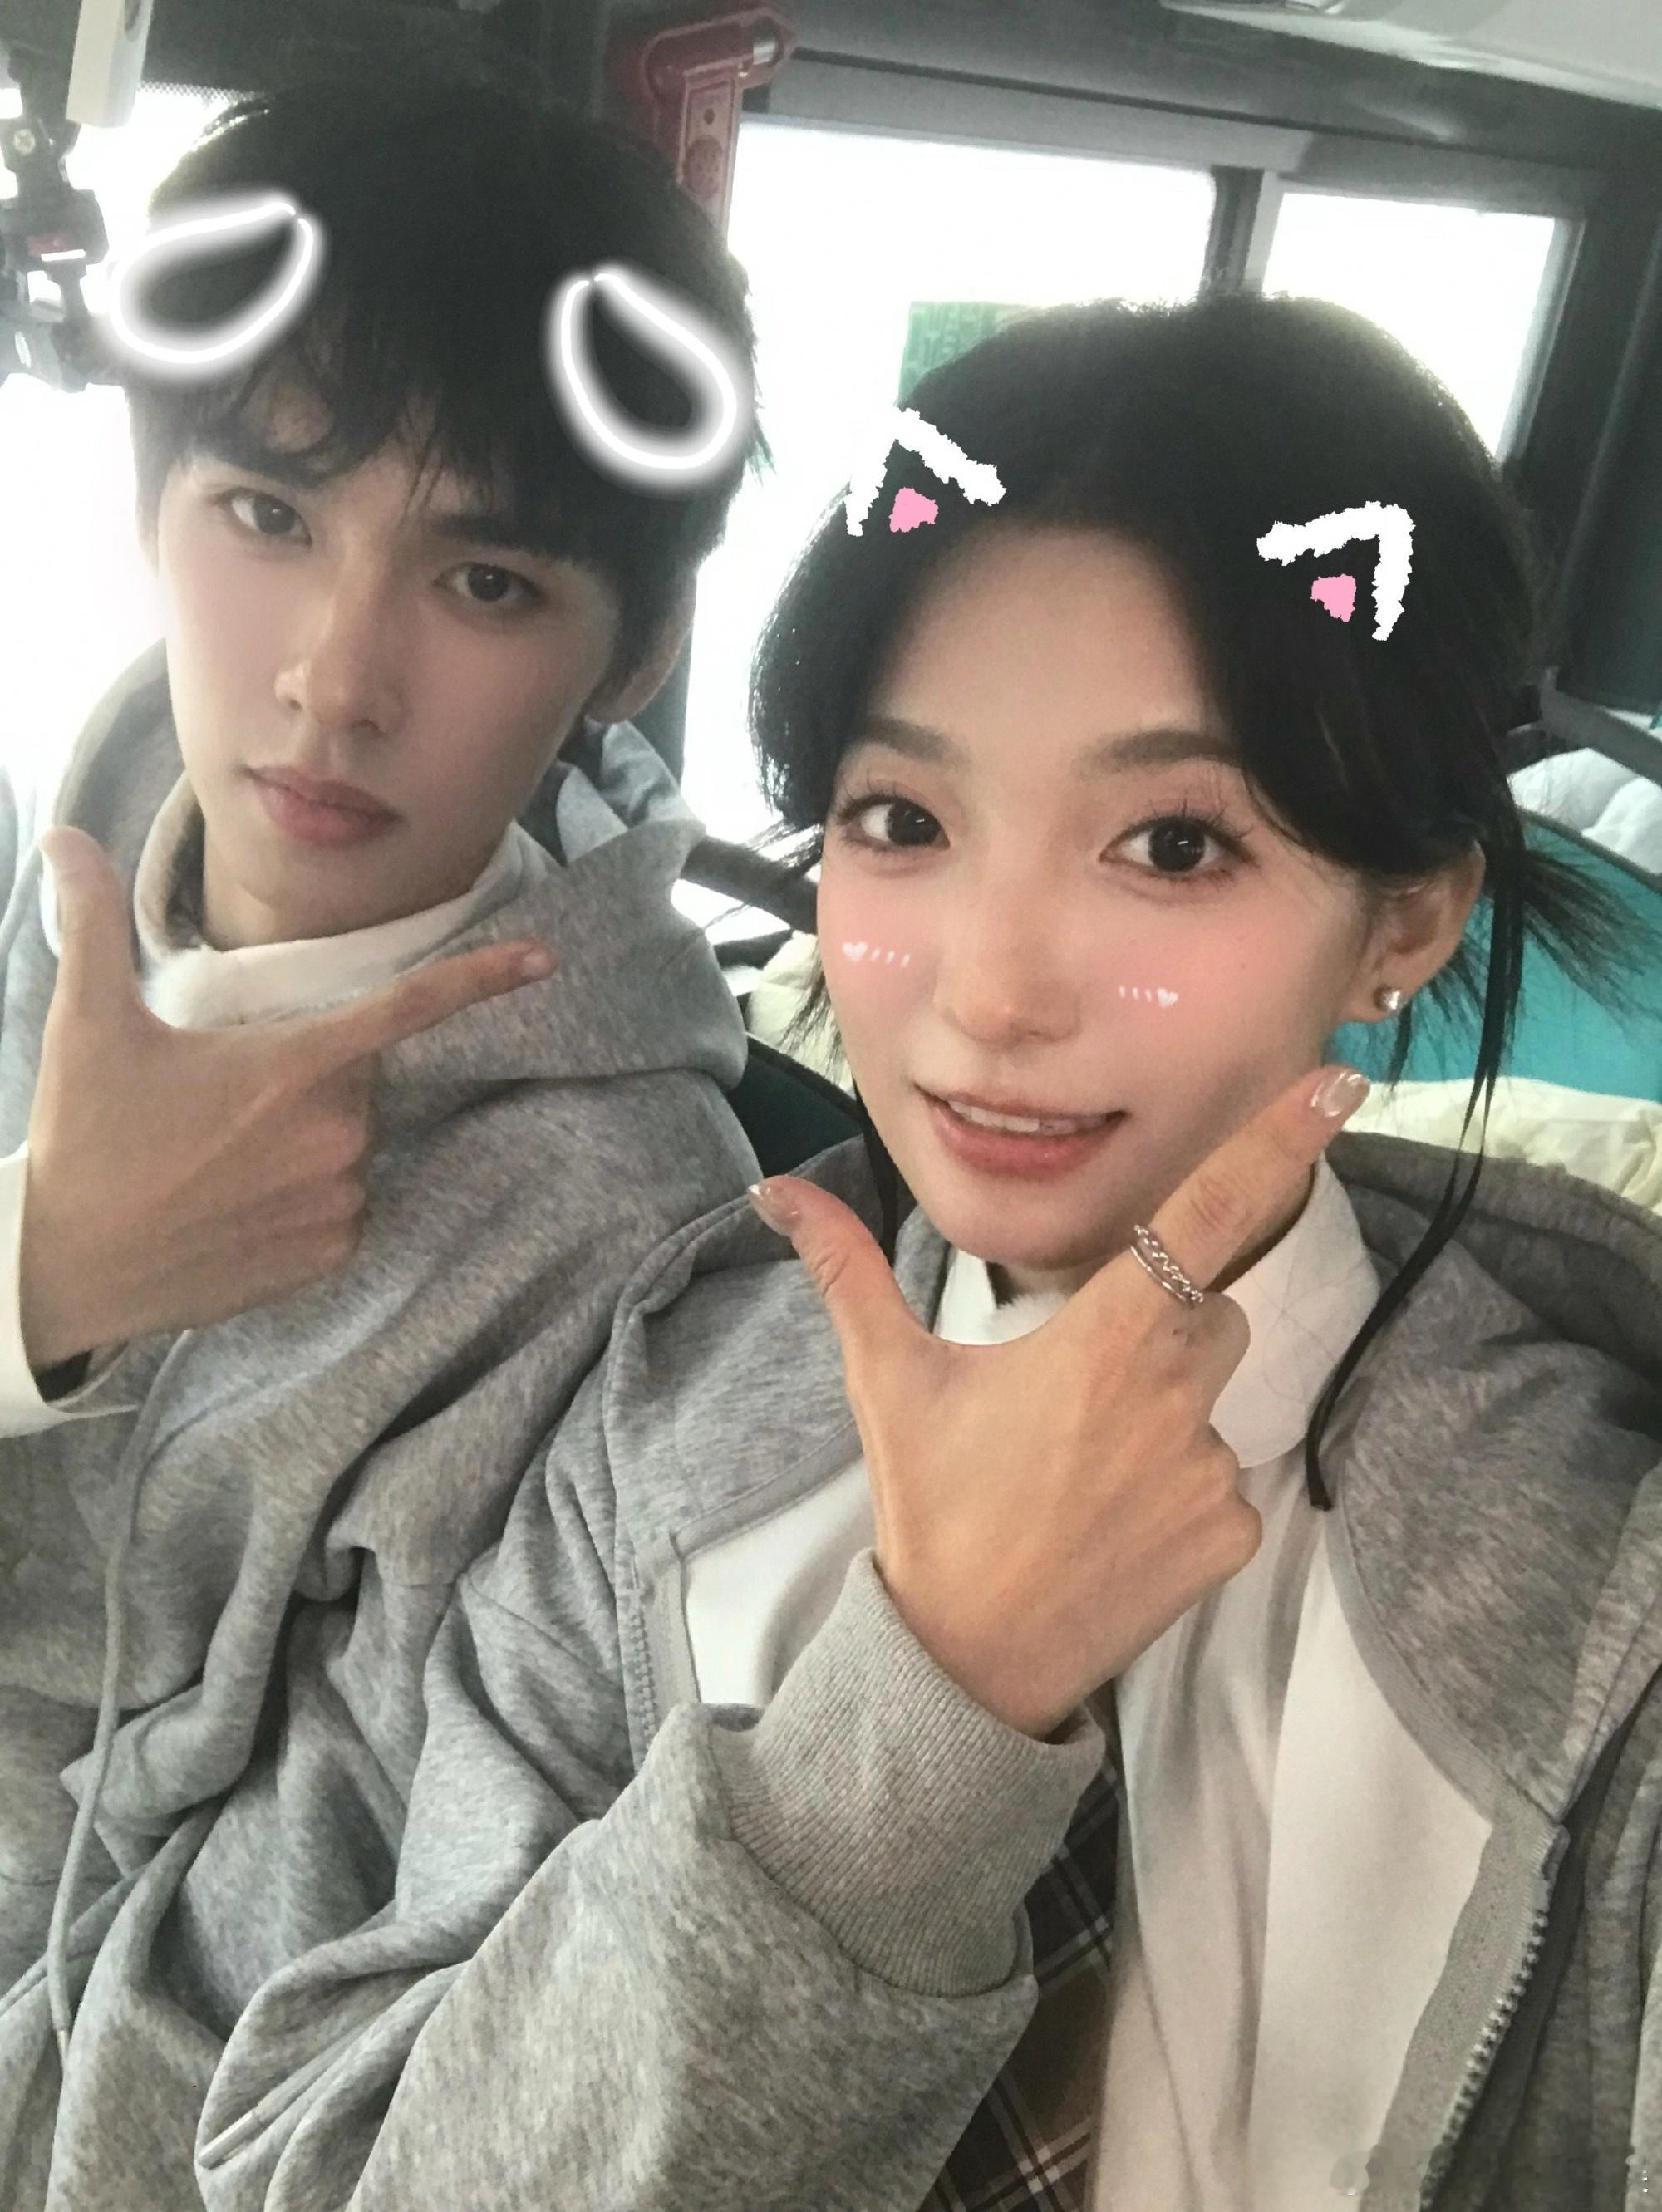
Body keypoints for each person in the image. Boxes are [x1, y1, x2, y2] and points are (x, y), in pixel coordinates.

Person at [88, 298, 1662, 2210]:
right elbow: (316, 2154)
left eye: (1173, 846)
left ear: (1404, 917)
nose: (989, 994)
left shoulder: (1602, 1598)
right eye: (901, 818)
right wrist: (914, 1733)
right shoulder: (653, 1431)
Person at [0, 66, 765, 2195]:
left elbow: (288, 1972)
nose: (336, 680)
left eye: (488, 579)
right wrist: (47, 1272)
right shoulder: (35, 866)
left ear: (631, 651)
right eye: (266, 515)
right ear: (148, 506)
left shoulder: (623, 1229)